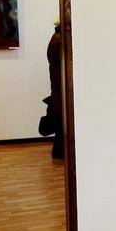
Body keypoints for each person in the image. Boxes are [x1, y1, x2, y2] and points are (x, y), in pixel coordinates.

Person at [47, 16, 63, 159]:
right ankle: (59, 153)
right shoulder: (59, 40)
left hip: (57, 86)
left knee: (60, 122)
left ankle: (59, 152)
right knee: (61, 122)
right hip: (60, 87)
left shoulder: (55, 37)